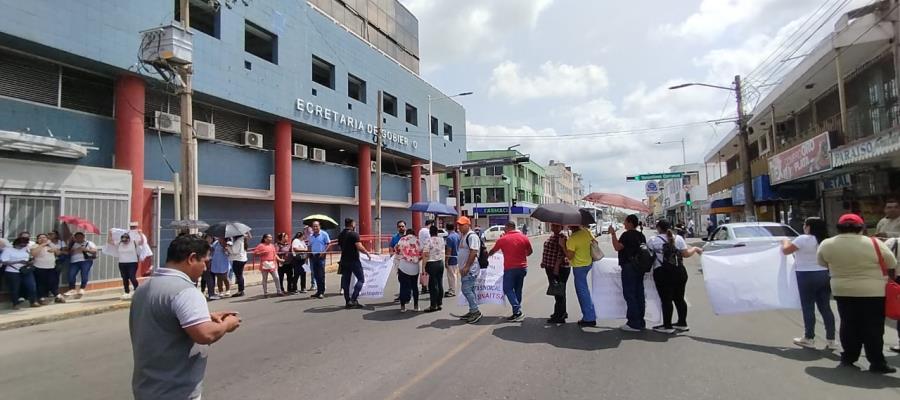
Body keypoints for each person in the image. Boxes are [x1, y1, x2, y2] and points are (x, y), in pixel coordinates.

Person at [129, 235, 241, 400]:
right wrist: (227, 324)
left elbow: (162, 318)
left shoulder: (145, 288)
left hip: (147, 386)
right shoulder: (186, 291)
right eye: (205, 262)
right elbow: (205, 334)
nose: (205, 268)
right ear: (191, 258)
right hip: (176, 389)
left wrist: (205, 317)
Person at [817, 213, 897, 374]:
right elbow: (891, 262)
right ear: (861, 227)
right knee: (873, 327)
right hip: (873, 292)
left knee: (848, 323)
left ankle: (848, 357)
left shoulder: (827, 244)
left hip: (842, 290)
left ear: (839, 227)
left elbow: (821, 262)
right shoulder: (874, 243)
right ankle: (876, 362)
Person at [781, 217, 837, 350]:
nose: (804, 227)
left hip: (805, 275)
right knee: (825, 308)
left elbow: (786, 250)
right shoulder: (826, 241)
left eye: (805, 224)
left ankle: (809, 338)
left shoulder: (803, 239)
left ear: (809, 227)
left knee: (808, 307)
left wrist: (785, 241)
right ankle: (831, 340)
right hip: (824, 274)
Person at [648, 219, 703, 334]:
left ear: (658, 228)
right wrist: (696, 248)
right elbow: (686, 254)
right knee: (679, 299)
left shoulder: (653, 240)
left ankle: (667, 326)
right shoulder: (678, 238)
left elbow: (648, 256)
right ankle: (682, 323)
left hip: (662, 273)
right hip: (679, 272)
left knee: (666, 300)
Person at [610, 214, 648, 332]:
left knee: (630, 294)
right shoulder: (641, 235)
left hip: (629, 267)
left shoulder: (626, 235)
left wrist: (613, 233)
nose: (624, 224)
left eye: (625, 222)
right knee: (639, 294)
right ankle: (640, 321)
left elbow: (617, 247)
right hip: (639, 268)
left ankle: (634, 322)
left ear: (630, 223)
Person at [488, 221, 532, 322]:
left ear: (508, 227)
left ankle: (517, 310)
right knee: (518, 290)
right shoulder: (524, 237)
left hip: (510, 268)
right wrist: (521, 254)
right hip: (522, 268)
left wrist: (487, 257)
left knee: (507, 288)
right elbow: (529, 252)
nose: (504, 229)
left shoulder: (503, 239)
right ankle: (516, 313)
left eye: (505, 228)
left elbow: (493, 250)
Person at [564, 224, 597, 327]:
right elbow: (595, 242)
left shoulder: (572, 239)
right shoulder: (587, 232)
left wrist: (563, 245)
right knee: (584, 290)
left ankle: (589, 317)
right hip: (588, 263)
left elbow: (570, 256)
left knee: (582, 292)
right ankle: (589, 315)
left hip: (579, 266)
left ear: (570, 227)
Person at [338, 218, 370, 309]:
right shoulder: (354, 234)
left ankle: (347, 301)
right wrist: (367, 253)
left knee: (346, 281)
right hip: (354, 260)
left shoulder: (341, 234)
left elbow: (341, 246)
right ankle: (353, 299)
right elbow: (359, 246)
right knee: (361, 279)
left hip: (344, 260)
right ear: (352, 224)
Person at [456, 216, 483, 323]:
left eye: (462, 225)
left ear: (468, 225)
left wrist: (467, 267)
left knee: (466, 290)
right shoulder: (464, 236)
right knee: (469, 290)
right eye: (459, 225)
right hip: (465, 268)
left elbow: (473, 252)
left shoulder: (472, 236)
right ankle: (473, 310)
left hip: (470, 269)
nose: (460, 227)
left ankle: (475, 311)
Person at [541, 223, 570, 324]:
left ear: (561, 227)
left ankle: (559, 316)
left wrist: (556, 268)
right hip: (551, 267)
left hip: (559, 268)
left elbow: (562, 254)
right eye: (553, 226)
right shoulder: (553, 236)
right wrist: (543, 262)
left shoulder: (563, 237)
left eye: (557, 226)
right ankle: (561, 312)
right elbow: (549, 251)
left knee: (558, 292)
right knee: (559, 291)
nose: (554, 227)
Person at [3, 237, 40, 308]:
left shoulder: (26, 249)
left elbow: (30, 257)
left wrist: (30, 262)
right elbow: (4, 261)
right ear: (17, 244)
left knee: (31, 286)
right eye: (22, 245)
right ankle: (15, 303)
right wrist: (18, 261)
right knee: (15, 288)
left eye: (25, 244)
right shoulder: (8, 250)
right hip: (13, 271)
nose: (23, 246)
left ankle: (33, 301)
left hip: (25, 270)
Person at [108, 229, 141, 300]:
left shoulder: (133, 242)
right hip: (122, 263)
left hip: (132, 262)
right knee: (125, 278)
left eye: (126, 240)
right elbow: (110, 242)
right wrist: (110, 234)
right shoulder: (120, 243)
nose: (125, 242)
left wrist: (140, 234)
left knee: (132, 277)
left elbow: (142, 242)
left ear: (129, 239)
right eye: (123, 240)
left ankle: (137, 289)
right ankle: (127, 292)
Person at [32, 233, 65, 304]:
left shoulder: (50, 246)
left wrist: (51, 245)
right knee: (41, 284)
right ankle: (41, 297)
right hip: (39, 267)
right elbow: (34, 254)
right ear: (37, 240)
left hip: (51, 267)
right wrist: (43, 244)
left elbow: (58, 253)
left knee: (52, 282)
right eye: (40, 238)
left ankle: (57, 296)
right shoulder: (36, 246)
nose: (42, 239)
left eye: (44, 237)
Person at [395, 228, 422, 312]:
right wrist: (416, 259)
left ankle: (403, 307)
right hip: (414, 267)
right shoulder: (417, 240)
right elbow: (422, 253)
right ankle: (416, 306)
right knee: (414, 287)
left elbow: (397, 251)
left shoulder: (402, 240)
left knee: (403, 287)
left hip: (403, 266)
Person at [422, 225, 446, 312]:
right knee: (440, 283)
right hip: (440, 262)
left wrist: (423, 266)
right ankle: (439, 303)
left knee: (433, 285)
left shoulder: (428, 240)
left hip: (431, 263)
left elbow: (426, 254)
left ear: (430, 232)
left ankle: (433, 305)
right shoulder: (441, 240)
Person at [65, 232, 97, 298]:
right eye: (77, 237)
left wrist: (85, 249)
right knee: (71, 275)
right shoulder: (73, 244)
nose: (79, 238)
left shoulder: (89, 243)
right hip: (74, 261)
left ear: (83, 237)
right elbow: (67, 252)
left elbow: (94, 251)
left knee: (84, 274)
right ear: (75, 238)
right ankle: (72, 289)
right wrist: (73, 250)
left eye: (80, 237)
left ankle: (82, 288)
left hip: (85, 261)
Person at [307, 221, 330, 299]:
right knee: (315, 274)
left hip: (321, 256)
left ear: (319, 226)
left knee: (321, 274)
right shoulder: (310, 236)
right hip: (313, 256)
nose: (315, 228)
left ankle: (321, 291)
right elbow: (309, 245)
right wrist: (309, 253)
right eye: (313, 226)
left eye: (316, 226)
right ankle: (318, 291)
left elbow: (328, 244)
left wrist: (324, 252)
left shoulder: (324, 234)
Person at [225, 233, 249, 298]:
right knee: (240, 275)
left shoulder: (238, 241)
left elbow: (234, 251)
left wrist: (229, 247)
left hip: (238, 259)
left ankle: (240, 291)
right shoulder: (242, 240)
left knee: (238, 276)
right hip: (242, 259)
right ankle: (241, 290)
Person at [444, 222, 460, 297]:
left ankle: (452, 290)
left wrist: (446, 260)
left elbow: (449, 250)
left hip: (451, 258)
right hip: (457, 257)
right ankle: (451, 289)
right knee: (454, 274)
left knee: (451, 275)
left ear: (447, 228)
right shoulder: (457, 235)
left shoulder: (449, 238)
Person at [418, 219, 434, 294]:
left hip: (422, 250)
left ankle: (424, 286)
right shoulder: (427, 231)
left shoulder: (421, 230)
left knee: (423, 268)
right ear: (430, 224)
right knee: (428, 268)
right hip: (427, 251)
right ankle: (426, 285)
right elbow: (430, 241)